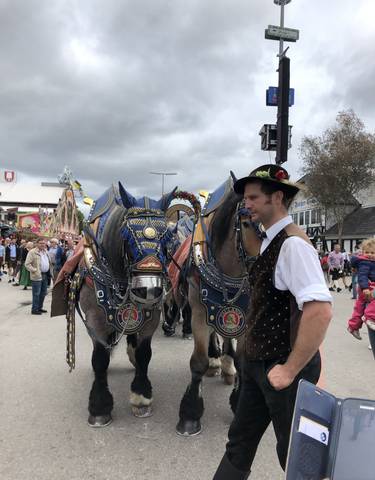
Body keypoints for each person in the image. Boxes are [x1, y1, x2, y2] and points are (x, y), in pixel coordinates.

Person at [212, 164, 332, 479]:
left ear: (277, 197)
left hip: (281, 369)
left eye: (253, 197)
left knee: (295, 454)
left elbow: (319, 311)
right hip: (257, 363)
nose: (246, 204)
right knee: (239, 442)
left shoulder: (293, 245)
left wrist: (292, 369)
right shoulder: (269, 241)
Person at [347, 238, 375, 340]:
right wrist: (365, 288)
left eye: (372, 252)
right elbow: (362, 275)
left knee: (359, 307)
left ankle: (353, 326)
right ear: (362, 252)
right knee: (373, 302)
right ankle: (371, 317)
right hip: (368, 287)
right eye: (367, 252)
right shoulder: (366, 262)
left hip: (365, 287)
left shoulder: (367, 261)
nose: (370, 255)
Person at [25, 238, 51, 315]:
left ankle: (39, 307)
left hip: (45, 275)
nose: (42, 245)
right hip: (37, 275)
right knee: (36, 293)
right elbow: (27, 264)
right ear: (36, 244)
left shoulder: (46, 251)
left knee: (43, 293)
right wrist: (34, 270)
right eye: (40, 243)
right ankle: (34, 309)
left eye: (43, 243)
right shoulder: (32, 252)